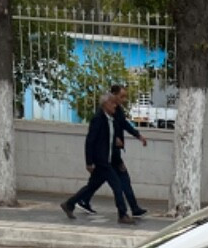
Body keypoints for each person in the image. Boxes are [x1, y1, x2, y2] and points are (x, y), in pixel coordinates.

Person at [61, 92, 131, 222]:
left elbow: (109, 140)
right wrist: (89, 162)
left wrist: (117, 146)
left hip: (108, 160)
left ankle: (69, 204)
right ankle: (122, 214)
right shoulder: (98, 118)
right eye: (112, 103)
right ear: (105, 104)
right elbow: (90, 141)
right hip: (102, 161)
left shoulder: (111, 120)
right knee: (117, 186)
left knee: (91, 187)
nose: (115, 106)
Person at [107, 83, 149, 219]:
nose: (124, 100)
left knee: (99, 181)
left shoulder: (117, 109)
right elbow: (103, 130)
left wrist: (138, 135)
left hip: (114, 152)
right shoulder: (107, 110)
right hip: (108, 153)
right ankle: (128, 210)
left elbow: (124, 124)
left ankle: (133, 208)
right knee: (120, 181)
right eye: (122, 96)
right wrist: (114, 140)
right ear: (113, 95)